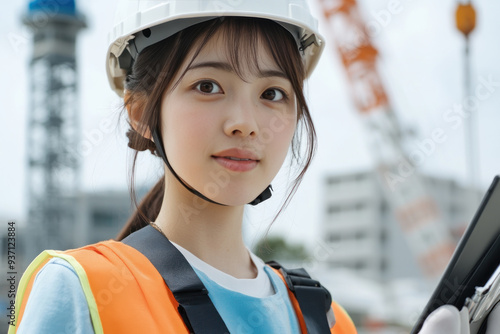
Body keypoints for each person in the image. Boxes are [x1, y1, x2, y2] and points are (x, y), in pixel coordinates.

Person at [8, 1, 499, 333]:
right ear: (141, 111)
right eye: (207, 86)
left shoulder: (324, 319)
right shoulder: (79, 289)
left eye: (272, 94)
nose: (245, 123)